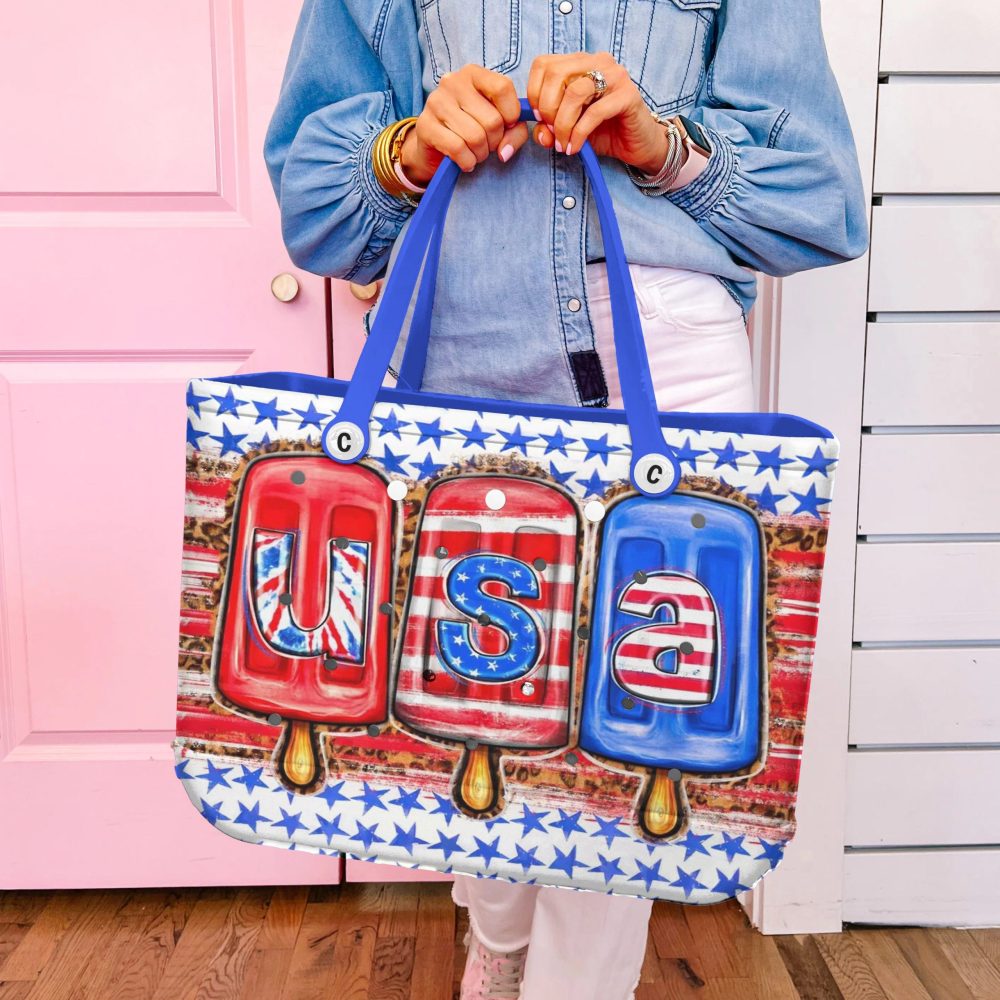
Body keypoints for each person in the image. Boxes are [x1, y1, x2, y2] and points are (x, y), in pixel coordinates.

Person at [264, 2, 867, 997]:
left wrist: (665, 146)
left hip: (661, 361)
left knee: (628, 741)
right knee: (469, 702)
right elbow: (314, 208)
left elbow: (820, 197)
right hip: (455, 341)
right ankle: (497, 937)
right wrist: (408, 151)